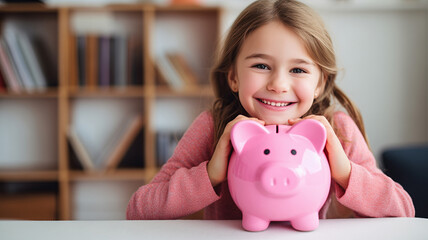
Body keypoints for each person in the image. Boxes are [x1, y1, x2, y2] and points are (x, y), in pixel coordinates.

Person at [127, 0, 415, 220]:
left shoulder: (336, 130)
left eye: (298, 69)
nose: (278, 84)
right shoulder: (213, 127)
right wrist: (211, 173)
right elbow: (140, 209)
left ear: (320, 82)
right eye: (261, 66)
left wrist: (344, 171)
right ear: (234, 76)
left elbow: (403, 210)